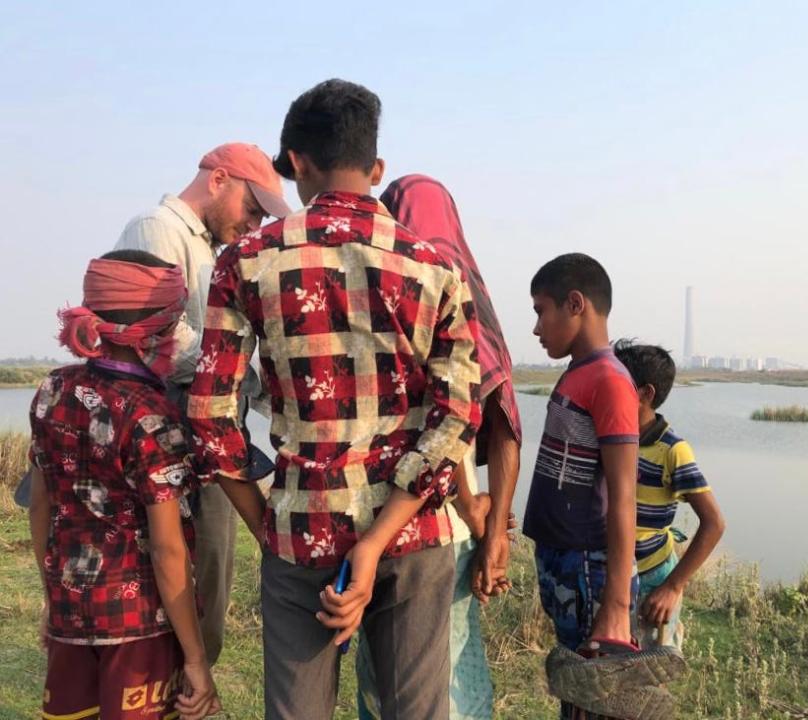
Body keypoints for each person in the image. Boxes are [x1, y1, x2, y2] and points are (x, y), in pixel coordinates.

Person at [187, 80, 483, 720]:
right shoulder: (434, 266)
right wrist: (376, 542)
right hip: (414, 531)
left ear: (294, 162)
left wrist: (265, 522)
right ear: (377, 169)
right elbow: (458, 412)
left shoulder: (246, 260)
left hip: (300, 529)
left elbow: (211, 416)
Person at [355, 174, 523, 720]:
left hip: (396, 519)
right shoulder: (467, 287)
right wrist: (489, 527)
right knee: (444, 665)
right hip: (449, 524)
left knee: (399, 672)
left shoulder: (395, 285)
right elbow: (499, 425)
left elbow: (446, 423)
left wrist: (481, 520)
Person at [115, 142, 290, 665]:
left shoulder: (208, 249)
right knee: (176, 564)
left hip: (210, 432)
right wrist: (236, 372)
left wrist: (261, 388)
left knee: (212, 567)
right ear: (218, 181)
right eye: (252, 210)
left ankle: (193, 676)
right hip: (171, 432)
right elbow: (160, 335)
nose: (254, 226)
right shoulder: (158, 229)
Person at [28, 250, 219, 720]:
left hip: (70, 616)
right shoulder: (152, 415)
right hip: (140, 630)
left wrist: (54, 601)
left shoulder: (52, 390)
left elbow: (40, 508)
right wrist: (196, 659)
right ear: (159, 330)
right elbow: (168, 550)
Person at [521, 253, 640, 720]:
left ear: (575, 304)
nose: (536, 327)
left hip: (590, 566)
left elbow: (624, 495)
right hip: (564, 560)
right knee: (577, 689)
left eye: (539, 310)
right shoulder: (578, 372)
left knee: (595, 696)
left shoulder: (610, 380)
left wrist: (615, 605)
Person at [611, 340, 725, 651]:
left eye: (616, 384)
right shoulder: (606, 438)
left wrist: (673, 586)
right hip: (610, 576)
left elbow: (714, 523)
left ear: (645, 394)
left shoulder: (672, 450)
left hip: (651, 580)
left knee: (650, 672)